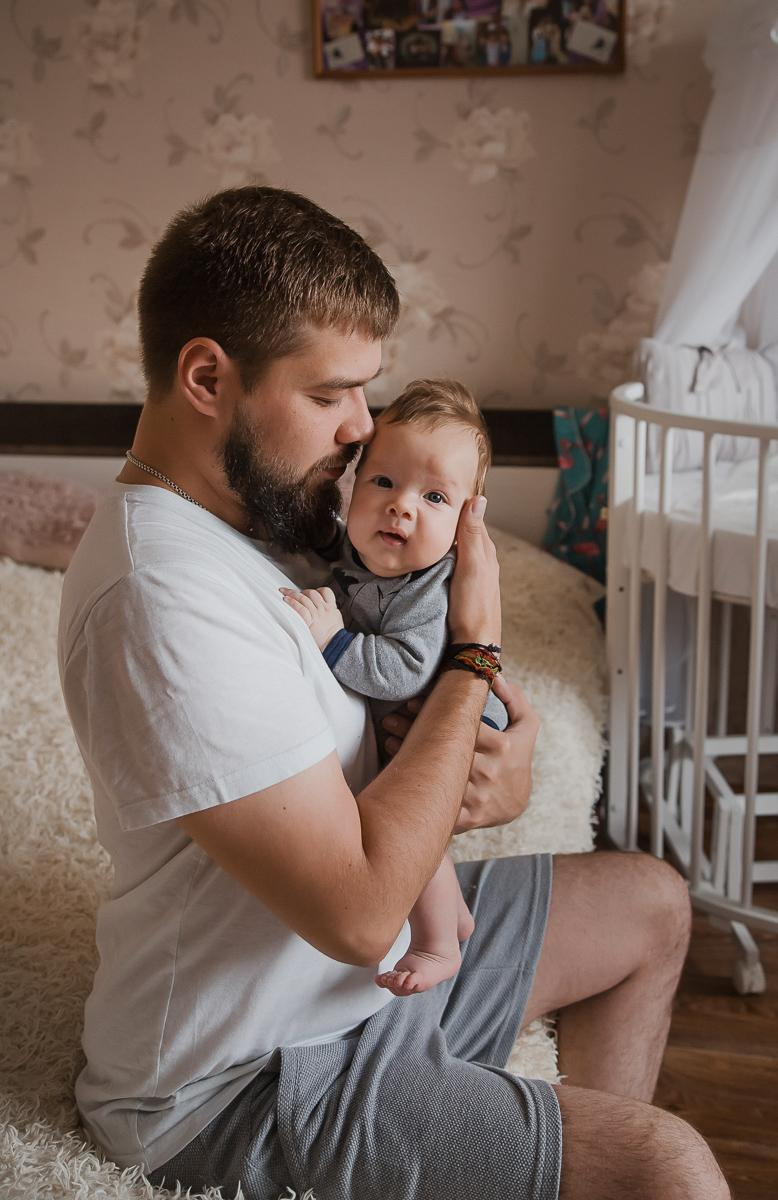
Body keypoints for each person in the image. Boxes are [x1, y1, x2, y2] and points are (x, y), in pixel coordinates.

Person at [58, 185, 730, 1200]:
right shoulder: (163, 597)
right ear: (207, 376)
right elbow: (365, 914)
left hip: (346, 989)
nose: (360, 429)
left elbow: (389, 715)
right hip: (248, 1069)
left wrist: (484, 761)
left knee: (650, 903)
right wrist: (475, 653)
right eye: (331, 395)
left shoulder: (265, 514)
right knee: (667, 1167)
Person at [281, 379, 508, 999]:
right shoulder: (371, 553)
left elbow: (404, 669)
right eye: (383, 481)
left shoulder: (427, 592)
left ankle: (436, 943)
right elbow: (337, 552)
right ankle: (454, 914)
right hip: (418, 714)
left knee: (406, 824)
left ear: (466, 523)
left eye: (433, 496)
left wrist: (334, 641)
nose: (401, 506)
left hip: (450, 717)